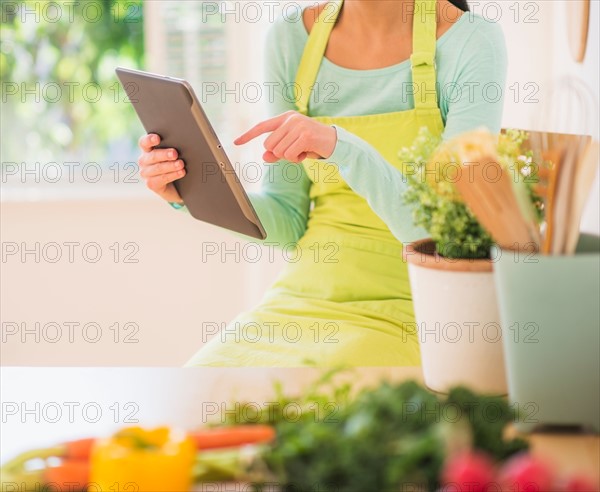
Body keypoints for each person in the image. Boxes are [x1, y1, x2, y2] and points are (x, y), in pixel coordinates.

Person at [137, 0, 507, 367]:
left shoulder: (471, 43)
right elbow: (288, 219)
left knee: (310, 407)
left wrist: (341, 147)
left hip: (409, 311)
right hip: (297, 300)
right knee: (198, 392)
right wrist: (192, 191)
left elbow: (443, 238)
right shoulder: (288, 39)